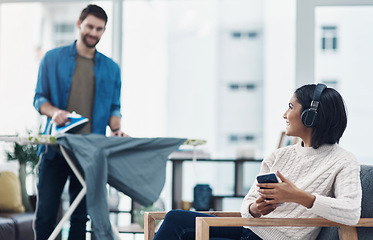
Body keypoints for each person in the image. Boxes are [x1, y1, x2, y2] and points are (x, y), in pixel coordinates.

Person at [153, 83, 362, 240]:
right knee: (175, 219)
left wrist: (299, 197)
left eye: (291, 107)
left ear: (311, 117)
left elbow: (351, 212)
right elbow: (247, 204)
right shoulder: (278, 156)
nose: (284, 114)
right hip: (250, 230)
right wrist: (256, 208)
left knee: (178, 226)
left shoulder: (343, 161)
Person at [33, 5, 127, 240]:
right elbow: (39, 98)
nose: (94, 33)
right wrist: (54, 112)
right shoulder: (52, 59)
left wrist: (116, 129)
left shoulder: (112, 69)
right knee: (45, 216)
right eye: (90, 27)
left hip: (89, 153)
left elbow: (114, 107)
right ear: (79, 24)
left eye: (100, 29)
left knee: (80, 218)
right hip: (55, 150)